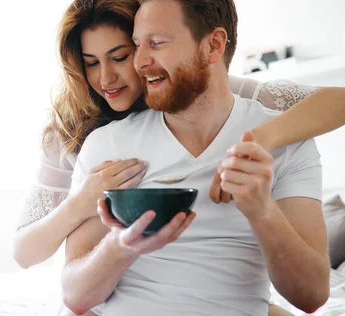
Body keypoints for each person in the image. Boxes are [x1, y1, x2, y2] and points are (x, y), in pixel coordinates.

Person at [60, 0, 330, 315]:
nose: (140, 61)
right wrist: (120, 246)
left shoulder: (287, 143)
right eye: (136, 46)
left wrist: (262, 211)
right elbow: (74, 296)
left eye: (157, 44)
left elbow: (311, 296)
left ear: (213, 45)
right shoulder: (108, 143)